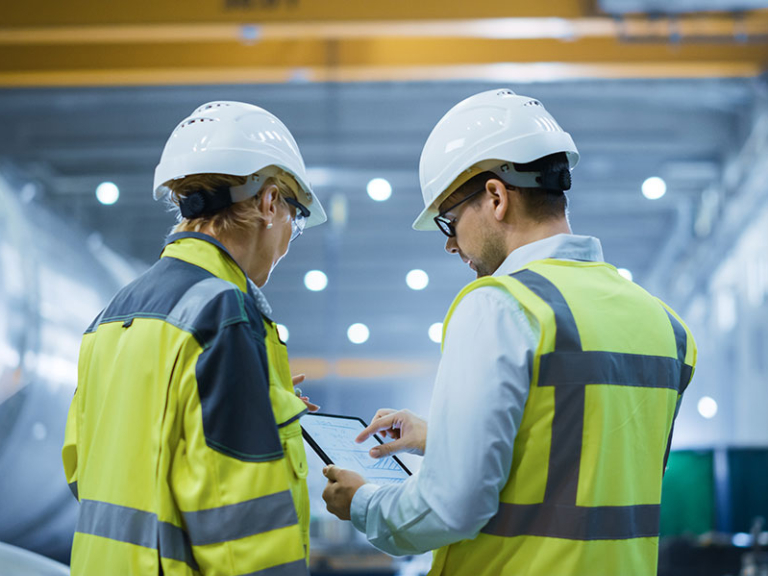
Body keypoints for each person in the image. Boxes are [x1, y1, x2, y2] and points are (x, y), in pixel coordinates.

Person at [322, 89, 696, 576]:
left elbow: (450, 508)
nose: (451, 245)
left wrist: (363, 503)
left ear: (496, 197)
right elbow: (585, 469)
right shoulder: (667, 327)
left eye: (450, 223)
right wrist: (445, 439)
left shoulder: (501, 306)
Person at [62, 101, 324, 575]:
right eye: (296, 220)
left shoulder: (111, 316)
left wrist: (268, 412)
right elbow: (242, 525)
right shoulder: (223, 313)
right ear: (269, 203)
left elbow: (84, 468)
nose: (288, 242)